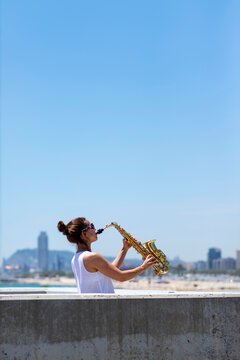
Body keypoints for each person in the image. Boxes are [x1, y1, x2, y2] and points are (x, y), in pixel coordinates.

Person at [57, 217, 158, 293]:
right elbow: (120, 277)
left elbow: (112, 270)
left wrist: (124, 249)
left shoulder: (76, 258)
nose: (95, 228)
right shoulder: (92, 257)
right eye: (91, 226)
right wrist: (143, 267)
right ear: (84, 234)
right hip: (101, 310)